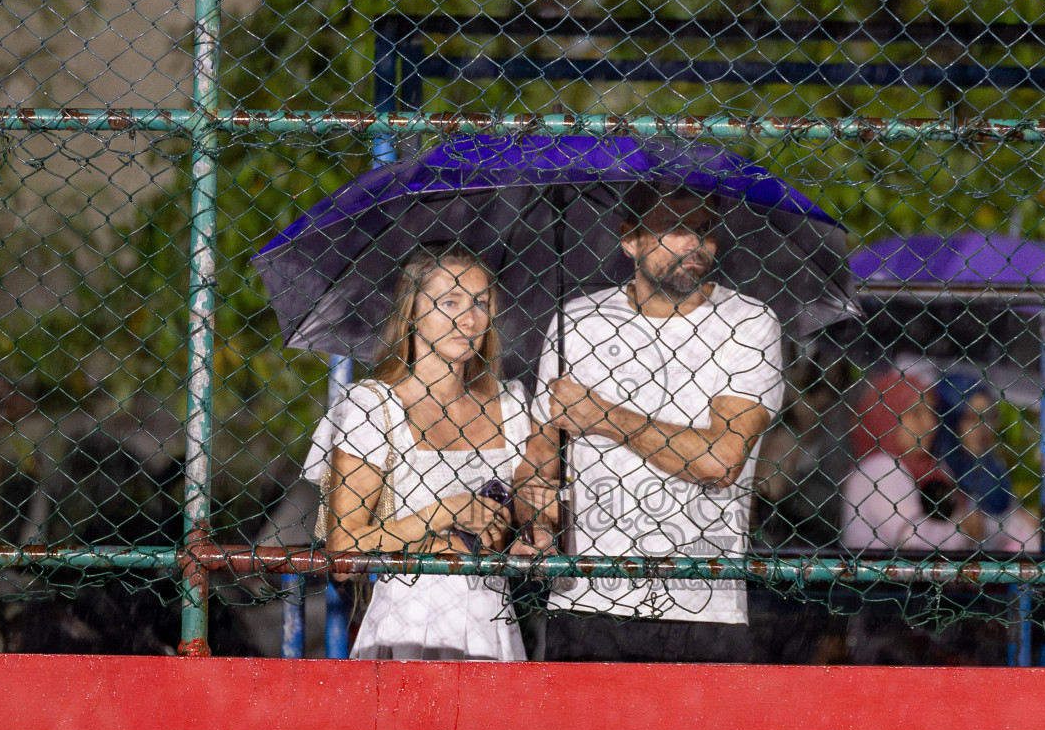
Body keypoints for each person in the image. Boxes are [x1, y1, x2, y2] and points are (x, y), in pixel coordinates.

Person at [515, 184, 785, 662]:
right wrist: (536, 521)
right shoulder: (576, 322)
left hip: (702, 599)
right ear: (630, 239)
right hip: (585, 597)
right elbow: (539, 462)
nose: (694, 242)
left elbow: (719, 461)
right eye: (674, 226)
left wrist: (605, 416)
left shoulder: (747, 322)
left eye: (704, 228)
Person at [303, 244, 528, 661]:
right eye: (450, 302)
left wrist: (525, 530)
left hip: (494, 620)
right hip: (407, 622)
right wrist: (444, 513)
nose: (469, 318)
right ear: (412, 311)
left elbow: (523, 514)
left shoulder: (510, 404)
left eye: (480, 303)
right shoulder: (372, 408)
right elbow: (342, 549)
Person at [839, 365, 983, 553]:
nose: (931, 423)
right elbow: (914, 539)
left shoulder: (929, 467)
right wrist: (964, 532)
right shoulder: (879, 469)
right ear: (888, 417)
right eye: (916, 413)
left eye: (932, 412)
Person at [931, 372, 1039, 554]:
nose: (981, 429)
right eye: (970, 418)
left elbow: (1014, 527)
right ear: (951, 421)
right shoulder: (935, 471)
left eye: (987, 417)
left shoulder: (992, 470)